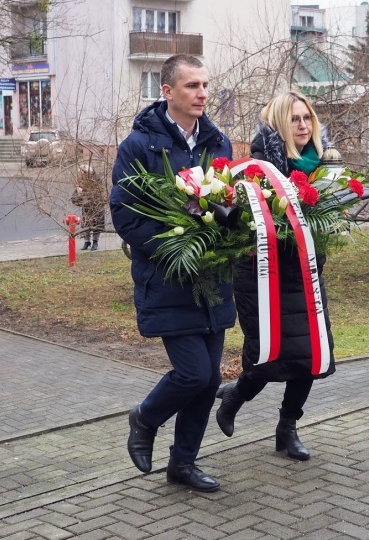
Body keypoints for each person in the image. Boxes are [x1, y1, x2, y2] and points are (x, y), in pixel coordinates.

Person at [110, 54, 235, 493]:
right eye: (192, 86)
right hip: (168, 278)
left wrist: (228, 228)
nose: (203, 93)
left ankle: (183, 464)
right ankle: (145, 417)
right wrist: (179, 248)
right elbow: (125, 215)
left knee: (210, 380)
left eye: (205, 85)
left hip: (213, 281)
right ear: (167, 91)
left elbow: (231, 205)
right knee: (193, 374)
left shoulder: (218, 142)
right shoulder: (139, 146)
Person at [215, 90, 335, 461]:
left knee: (309, 353)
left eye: (307, 118)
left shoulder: (326, 168)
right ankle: (235, 396)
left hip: (303, 273)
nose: (303, 125)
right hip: (260, 273)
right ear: (280, 124)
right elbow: (232, 221)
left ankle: (288, 428)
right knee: (267, 354)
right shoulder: (256, 168)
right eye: (295, 119)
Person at [71, 164, 106, 251]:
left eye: (82, 173)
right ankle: (87, 242)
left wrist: (84, 191)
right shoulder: (81, 182)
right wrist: (79, 194)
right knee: (86, 224)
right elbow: (75, 198)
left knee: (97, 224)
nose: (81, 175)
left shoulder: (96, 180)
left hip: (97, 206)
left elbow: (98, 193)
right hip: (86, 207)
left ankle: (95, 242)